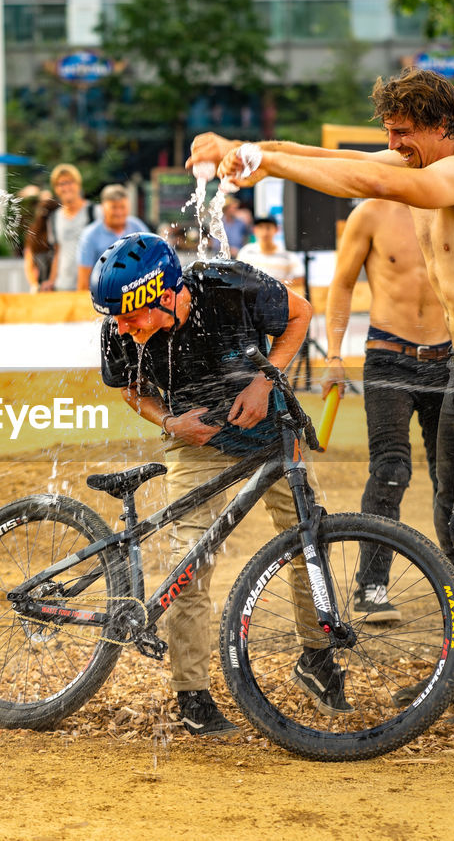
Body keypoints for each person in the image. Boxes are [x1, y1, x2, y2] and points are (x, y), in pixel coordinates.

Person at [190, 66, 454, 726]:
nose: (396, 145)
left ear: (443, 127)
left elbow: (374, 178)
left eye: (404, 134)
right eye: (390, 134)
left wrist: (265, 160)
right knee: (452, 523)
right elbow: (338, 159)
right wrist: (249, 153)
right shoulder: (424, 162)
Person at [92, 233, 348, 735]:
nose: (120, 327)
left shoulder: (230, 285)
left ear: (166, 295)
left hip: (269, 427)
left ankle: (317, 660)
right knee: (193, 558)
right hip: (195, 437)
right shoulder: (118, 325)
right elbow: (130, 389)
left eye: (129, 315)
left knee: (307, 540)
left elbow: (301, 313)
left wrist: (265, 379)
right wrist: (170, 423)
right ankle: (192, 695)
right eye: (114, 317)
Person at [321, 200, 451, 628]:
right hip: (388, 355)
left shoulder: (450, 207)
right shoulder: (371, 213)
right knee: (390, 469)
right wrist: (335, 355)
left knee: (451, 475)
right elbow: (341, 284)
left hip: (449, 358)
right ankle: (371, 586)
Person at [76, 184, 149, 290]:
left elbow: (151, 259)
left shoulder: (139, 228)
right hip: (102, 295)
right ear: (102, 208)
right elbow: (83, 281)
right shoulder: (89, 235)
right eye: (114, 207)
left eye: (122, 207)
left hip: (136, 294)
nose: (119, 212)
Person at [47, 163, 96, 292]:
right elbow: (57, 252)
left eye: (70, 182)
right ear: (56, 189)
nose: (66, 187)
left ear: (78, 185)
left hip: (90, 286)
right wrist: (52, 281)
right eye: (60, 184)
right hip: (62, 286)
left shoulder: (94, 212)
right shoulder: (54, 218)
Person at [235, 216, 302, 285]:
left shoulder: (287, 254)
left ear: (276, 229)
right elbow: (237, 276)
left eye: (268, 227)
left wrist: (277, 286)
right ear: (255, 230)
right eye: (260, 227)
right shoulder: (246, 252)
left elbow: (300, 278)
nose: (265, 232)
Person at [23, 195, 59, 293]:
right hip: (57, 285)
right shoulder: (57, 232)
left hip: (40, 285)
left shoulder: (32, 233)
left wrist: (35, 285)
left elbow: (29, 264)